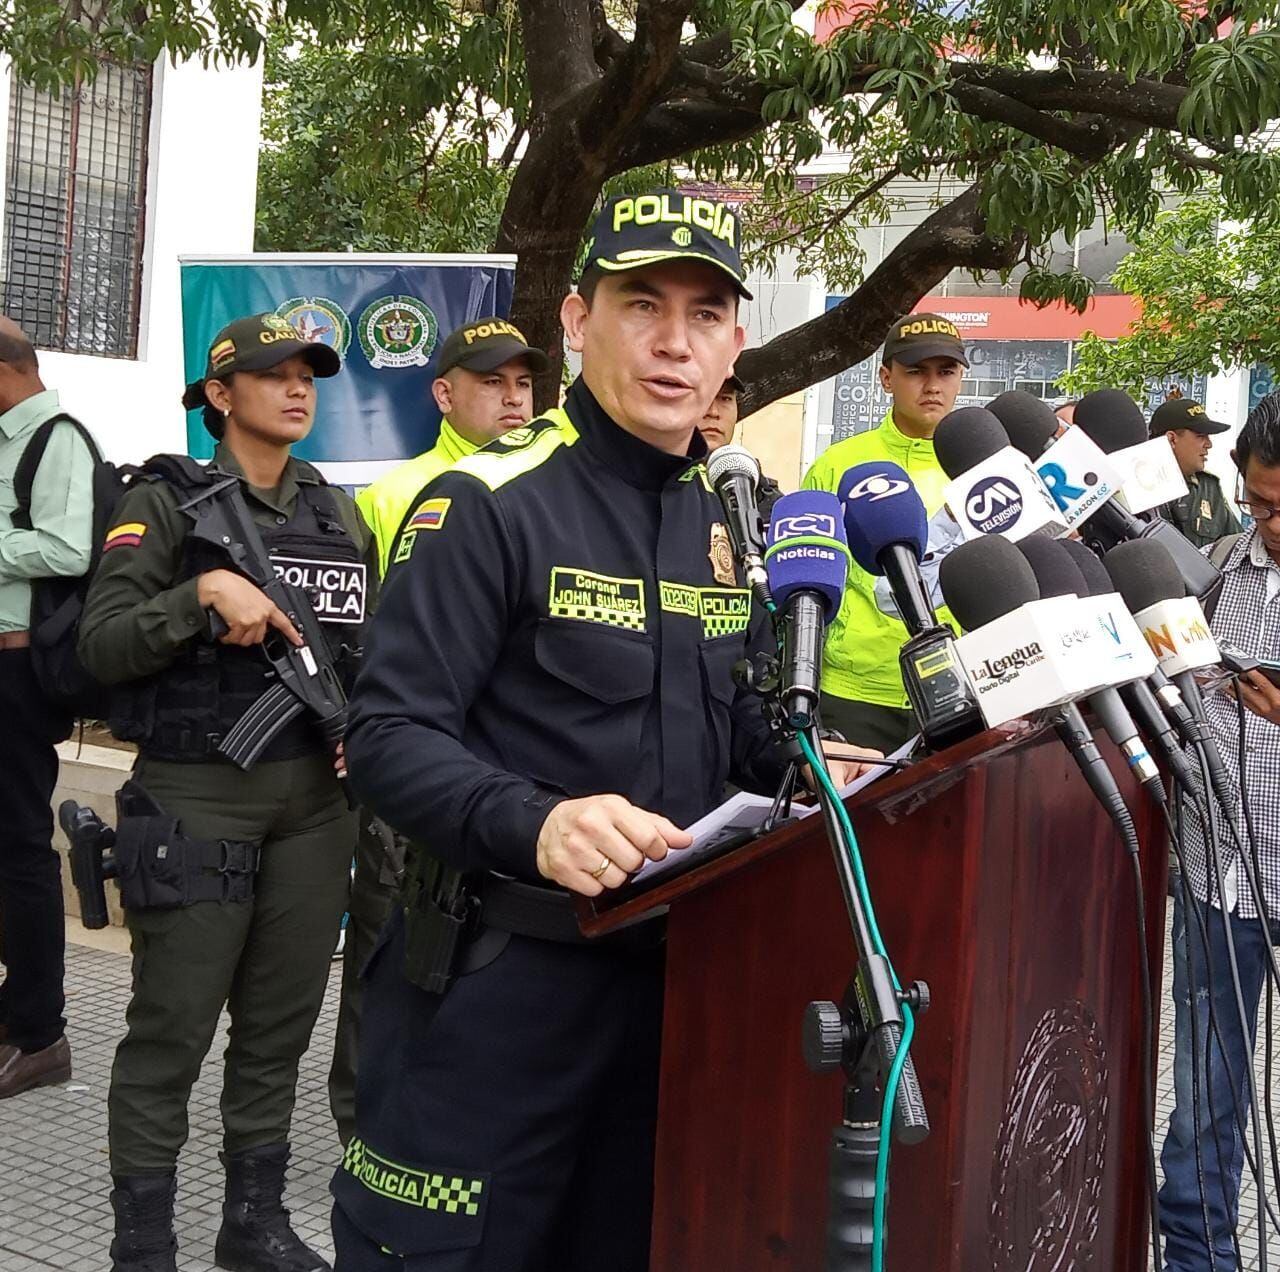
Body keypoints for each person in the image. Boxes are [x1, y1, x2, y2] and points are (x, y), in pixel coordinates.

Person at [330, 188, 881, 1270]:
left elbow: (734, 732)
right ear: (579, 322)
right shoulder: (486, 502)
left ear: (735, 340)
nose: (674, 342)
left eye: (706, 313)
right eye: (642, 306)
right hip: (494, 989)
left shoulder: (730, 520)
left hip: (678, 997)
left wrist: (818, 767)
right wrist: (532, 823)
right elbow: (385, 735)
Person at [78, 313, 377, 1272]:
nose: (298, 390)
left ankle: (251, 1220)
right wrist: (198, 600)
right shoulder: (161, 503)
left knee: (281, 1026)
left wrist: (359, 730)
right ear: (219, 395)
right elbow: (103, 644)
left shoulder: (335, 511)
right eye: (273, 374)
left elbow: (367, 650)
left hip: (313, 803)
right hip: (198, 791)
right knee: (171, 1027)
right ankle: (144, 1243)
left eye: (308, 376)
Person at [328, 318, 546, 1143]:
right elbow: (356, 635)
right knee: (390, 943)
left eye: (523, 383)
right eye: (493, 383)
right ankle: (364, 1126)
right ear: (444, 395)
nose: (513, 397)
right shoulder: (395, 494)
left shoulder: (544, 483)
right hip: (417, 764)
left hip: (507, 773)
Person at [1158, 390, 1280, 1271]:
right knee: (1203, 1100)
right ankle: (1202, 1257)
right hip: (1219, 880)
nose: (1273, 525)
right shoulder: (1211, 570)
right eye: (1264, 503)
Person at [0, 317, 95, 1098]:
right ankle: (14, 1011)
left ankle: (40, 1034)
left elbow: (68, 547)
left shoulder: (54, 437)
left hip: (19, 670)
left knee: (22, 845)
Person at [801, 314, 967, 750]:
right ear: (886, 378)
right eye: (916, 371)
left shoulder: (986, 466)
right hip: (855, 694)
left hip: (963, 684)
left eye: (946, 371)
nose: (932, 386)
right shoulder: (835, 465)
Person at [1152, 397, 1242, 549]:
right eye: (1201, 436)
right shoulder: (1134, 490)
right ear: (1172, 439)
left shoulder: (1208, 488)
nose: (1209, 444)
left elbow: (1236, 547)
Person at [696, 372, 783, 519]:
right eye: (704, 397)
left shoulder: (765, 496)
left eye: (725, 399)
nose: (714, 412)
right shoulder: (651, 490)